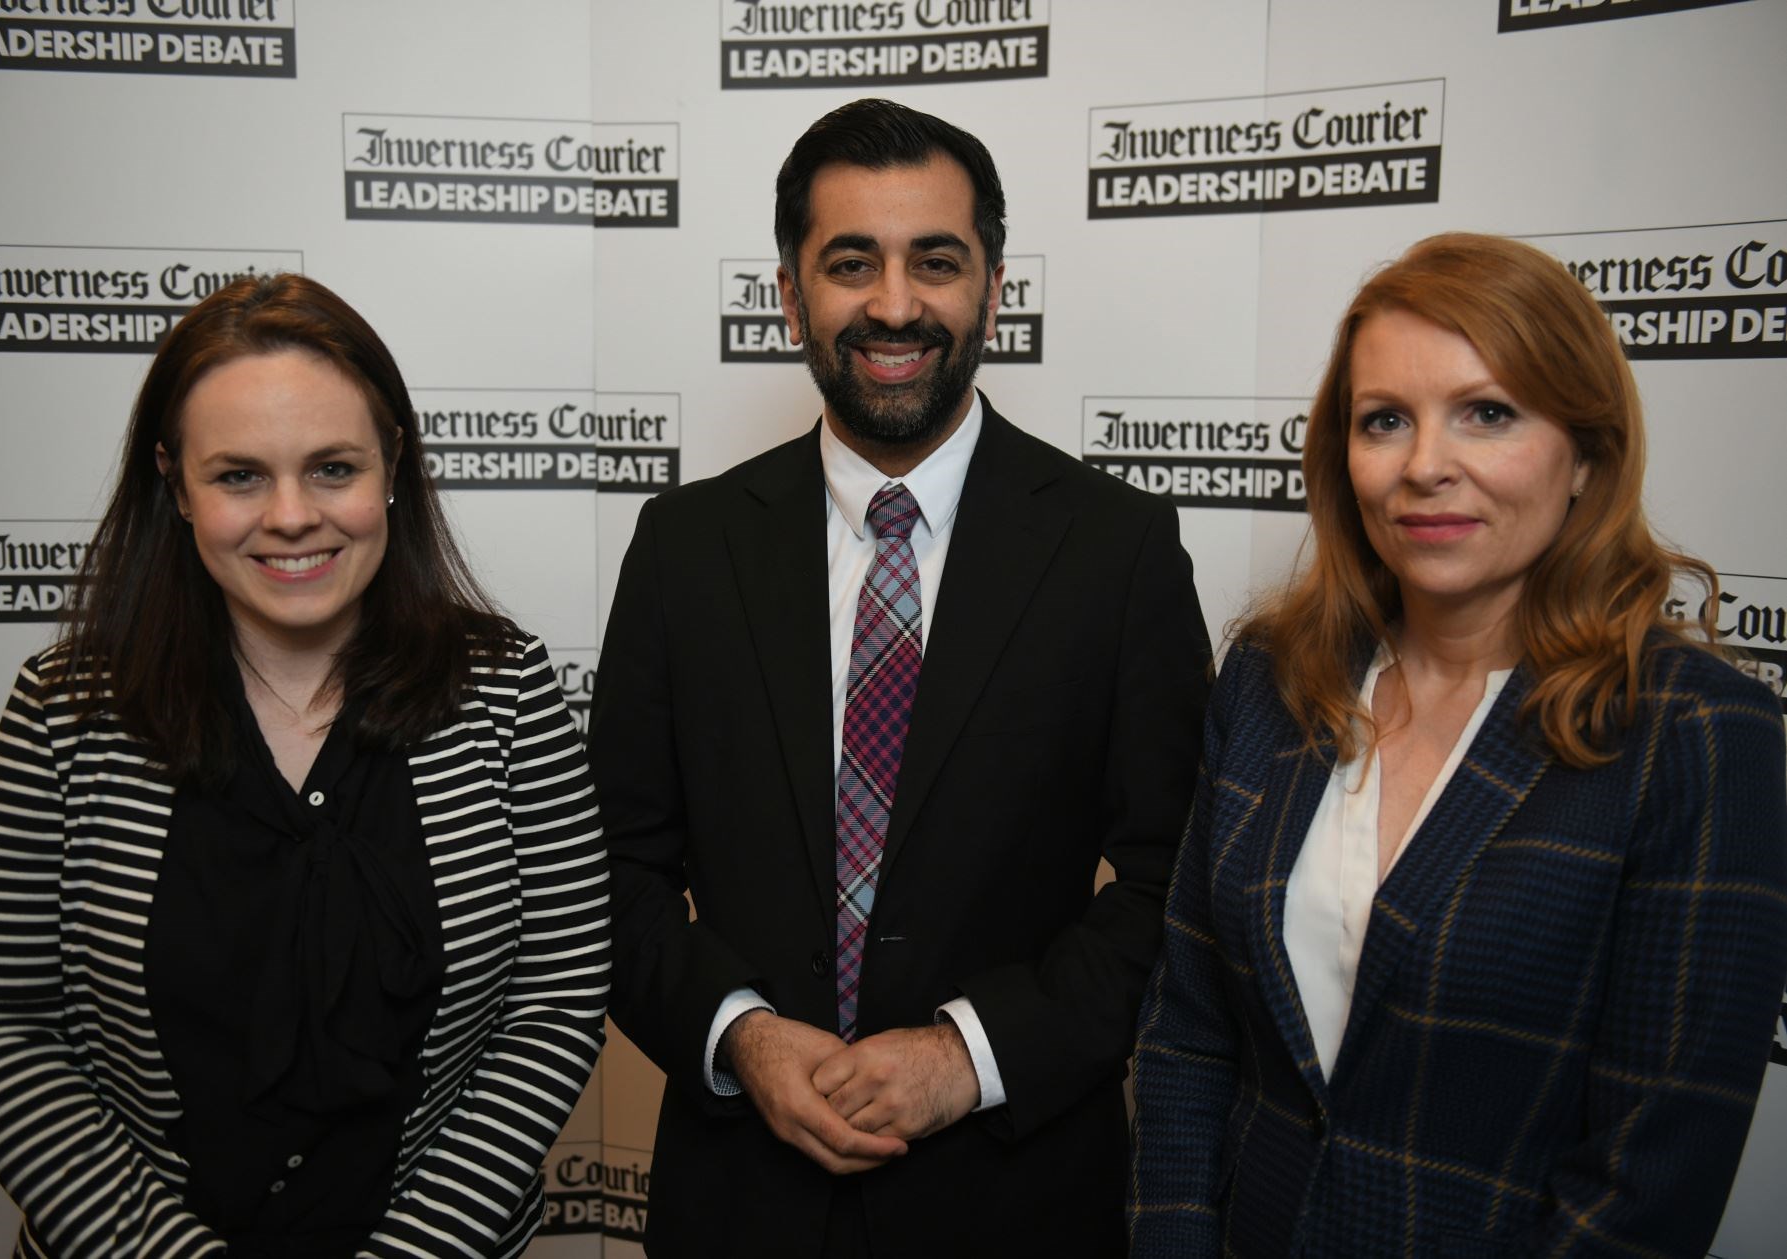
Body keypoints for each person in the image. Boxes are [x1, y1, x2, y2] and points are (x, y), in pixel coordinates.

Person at [591, 98, 1213, 1258]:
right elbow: (610, 869)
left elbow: (1171, 881)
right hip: (738, 1205)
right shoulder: (684, 547)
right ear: (789, 295)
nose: (892, 304)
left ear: (990, 286)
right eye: (848, 263)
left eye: (935, 260)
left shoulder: (1115, 549)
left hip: (1015, 1199)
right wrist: (739, 1034)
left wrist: (967, 1054)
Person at [1128, 233, 1787, 1258]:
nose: (1423, 465)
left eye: (1486, 412)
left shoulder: (1692, 733)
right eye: (1382, 420)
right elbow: (1186, 1036)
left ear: (1585, 454)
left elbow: (1645, 1183)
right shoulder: (1268, 678)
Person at [0, 274, 609, 1258]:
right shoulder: (64, 707)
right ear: (174, 483)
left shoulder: (507, 692)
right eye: (239, 475)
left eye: (332, 467)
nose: (291, 515)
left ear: (392, 467)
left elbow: (553, 1001)